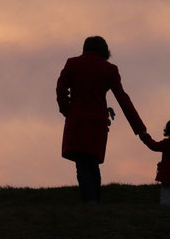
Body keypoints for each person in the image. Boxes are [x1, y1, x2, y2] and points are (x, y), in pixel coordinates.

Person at [56, 36, 147, 203]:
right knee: (92, 161)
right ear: (105, 51)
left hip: (77, 119)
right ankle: (95, 201)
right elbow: (123, 99)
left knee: (82, 162)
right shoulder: (109, 69)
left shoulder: (73, 63)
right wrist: (140, 129)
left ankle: (90, 202)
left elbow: (60, 88)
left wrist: (67, 110)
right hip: (98, 121)